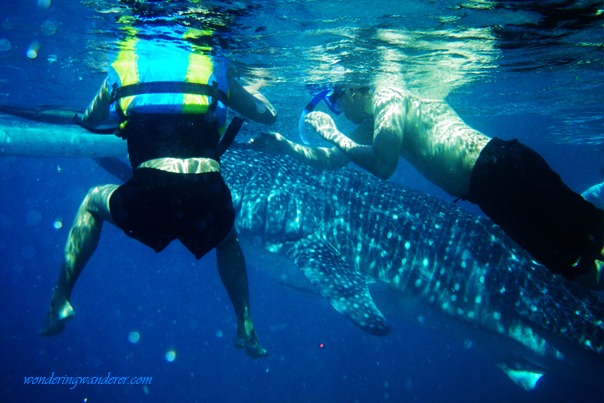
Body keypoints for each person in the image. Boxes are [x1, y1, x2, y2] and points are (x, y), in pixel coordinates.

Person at [39, 37, 277, 358]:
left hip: (152, 191)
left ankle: (61, 299)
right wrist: (253, 90)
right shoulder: (213, 67)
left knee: (92, 201)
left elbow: (92, 119)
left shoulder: (124, 67)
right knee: (227, 238)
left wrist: (90, 117)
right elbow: (268, 116)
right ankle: (244, 323)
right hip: (208, 193)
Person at [250, 85, 604, 289]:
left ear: (354, 87)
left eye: (336, 101)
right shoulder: (381, 114)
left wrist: (331, 131)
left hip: (497, 177)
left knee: (577, 266)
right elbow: (333, 159)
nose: (338, 111)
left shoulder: (388, 97)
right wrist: (285, 145)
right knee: (589, 237)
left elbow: (383, 166)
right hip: (502, 170)